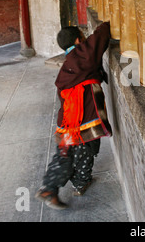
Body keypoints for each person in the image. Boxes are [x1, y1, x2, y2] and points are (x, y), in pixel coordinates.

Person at [35, 22, 112, 210]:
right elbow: (100, 36)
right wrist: (109, 21)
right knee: (78, 151)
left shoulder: (71, 59)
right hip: (81, 119)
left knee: (72, 150)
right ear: (79, 40)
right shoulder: (80, 55)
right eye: (83, 37)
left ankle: (64, 184)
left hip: (70, 119)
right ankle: (62, 186)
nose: (86, 40)